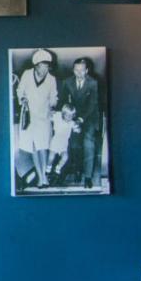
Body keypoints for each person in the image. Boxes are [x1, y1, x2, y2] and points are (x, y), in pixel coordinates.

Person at [16, 49, 58, 188]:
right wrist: (22, 98)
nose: (45, 69)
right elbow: (20, 90)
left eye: (47, 66)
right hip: (29, 117)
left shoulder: (51, 79)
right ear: (36, 65)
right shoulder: (27, 74)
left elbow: (54, 97)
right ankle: (41, 178)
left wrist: (53, 105)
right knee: (33, 146)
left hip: (44, 117)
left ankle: (44, 177)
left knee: (43, 147)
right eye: (43, 66)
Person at [58, 57, 101, 188]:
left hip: (89, 117)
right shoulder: (67, 82)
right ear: (73, 70)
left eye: (82, 70)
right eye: (76, 70)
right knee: (73, 143)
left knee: (88, 143)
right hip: (73, 116)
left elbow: (93, 104)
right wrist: (67, 116)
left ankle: (88, 177)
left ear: (87, 70)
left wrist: (80, 119)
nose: (79, 73)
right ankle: (76, 169)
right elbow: (63, 101)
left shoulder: (93, 83)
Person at [48, 103, 77, 180]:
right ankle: (48, 168)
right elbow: (50, 115)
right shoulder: (58, 117)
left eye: (71, 116)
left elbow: (76, 128)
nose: (69, 117)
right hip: (55, 142)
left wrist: (78, 129)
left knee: (65, 157)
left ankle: (57, 168)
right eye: (67, 115)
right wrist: (51, 112)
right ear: (63, 114)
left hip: (64, 145)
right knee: (51, 157)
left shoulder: (71, 123)